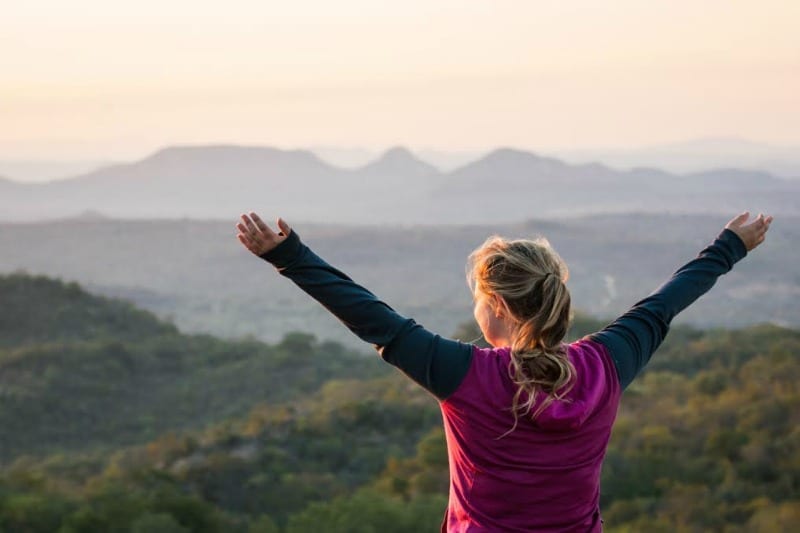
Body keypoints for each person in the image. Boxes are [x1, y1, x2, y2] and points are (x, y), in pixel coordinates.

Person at [236, 211, 772, 532]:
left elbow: (374, 319)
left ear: (493, 304)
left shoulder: (463, 373)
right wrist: (731, 245)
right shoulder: (607, 363)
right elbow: (664, 304)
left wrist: (289, 255)